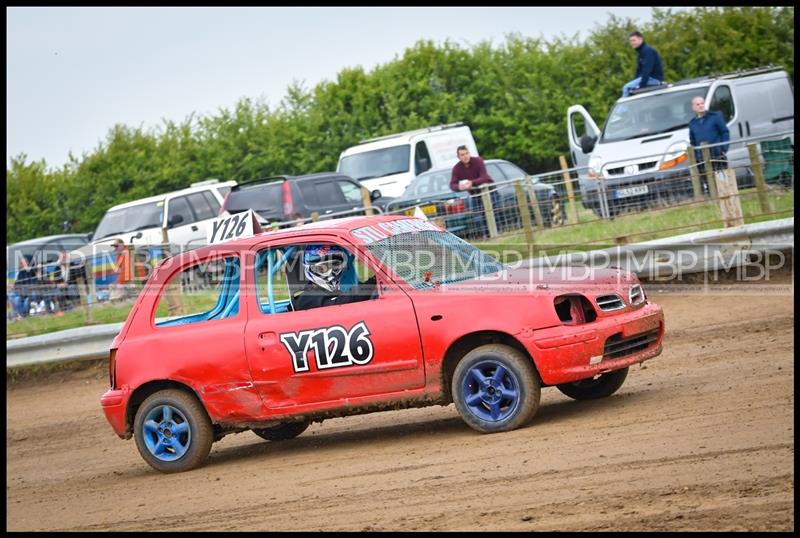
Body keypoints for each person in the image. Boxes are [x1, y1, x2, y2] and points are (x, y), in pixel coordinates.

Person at [291, 245, 376, 311]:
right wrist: (373, 282)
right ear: (310, 268)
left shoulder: (328, 291)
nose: (330, 272)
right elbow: (340, 304)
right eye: (323, 268)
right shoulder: (306, 298)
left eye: (335, 265)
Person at [449, 146, 499, 238]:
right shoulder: (457, 168)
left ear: (469, 153)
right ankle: (486, 236)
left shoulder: (478, 161)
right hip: (475, 194)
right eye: (462, 155)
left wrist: (472, 183)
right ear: (458, 157)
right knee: (478, 216)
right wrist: (460, 187)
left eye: (467, 153)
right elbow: (452, 184)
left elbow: (484, 177)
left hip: (489, 191)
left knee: (492, 213)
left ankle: (496, 234)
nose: (465, 156)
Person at [688, 95, 730, 194]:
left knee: (721, 178)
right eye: (698, 104)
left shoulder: (715, 117)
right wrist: (696, 155)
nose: (701, 106)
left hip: (717, 154)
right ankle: (713, 198)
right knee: (708, 180)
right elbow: (693, 141)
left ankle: (726, 196)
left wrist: (724, 148)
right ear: (693, 107)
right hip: (702, 158)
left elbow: (724, 132)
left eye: (702, 103)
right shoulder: (692, 123)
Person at [622, 31, 664, 97]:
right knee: (631, 88)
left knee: (627, 88)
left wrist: (641, 86)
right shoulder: (641, 53)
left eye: (633, 40)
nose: (632, 43)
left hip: (654, 79)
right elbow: (638, 71)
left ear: (641, 39)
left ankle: (624, 107)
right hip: (648, 79)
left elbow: (647, 70)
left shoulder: (648, 51)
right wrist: (635, 84)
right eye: (630, 41)